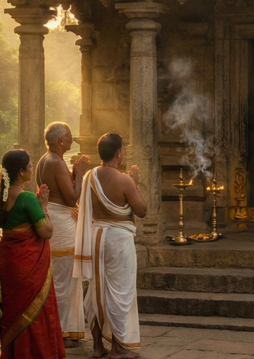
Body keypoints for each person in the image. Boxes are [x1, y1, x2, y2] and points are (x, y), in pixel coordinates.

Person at [0, 150, 66, 359]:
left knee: (14, 312)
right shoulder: (27, 198)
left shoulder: (0, 200)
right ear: (21, 171)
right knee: (35, 312)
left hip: (9, 263)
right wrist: (44, 208)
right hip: (27, 266)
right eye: (29, 166)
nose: (32, 168)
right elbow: (46, 231)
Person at [73, 133, 147, 359]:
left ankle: (97, 346)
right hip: (117, 240)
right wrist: (136, 183)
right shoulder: (124, 180)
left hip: (96, 237)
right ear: (119, 153)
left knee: (97, 291)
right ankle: (117, 348)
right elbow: (142, 210)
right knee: (119, 293)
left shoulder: (89, 176)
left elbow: (80, 202)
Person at [33, 122, 91, 347]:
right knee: (66, 280)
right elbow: (71, 198)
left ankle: (55, 329)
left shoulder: (44, 159)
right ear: (60, 141)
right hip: (62, 223)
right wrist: (80, 174)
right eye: (68, 136)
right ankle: (64, 332)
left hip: (55, 219)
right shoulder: (56, 162)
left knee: (58, 279)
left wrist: (74, 174)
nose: (71, 139)